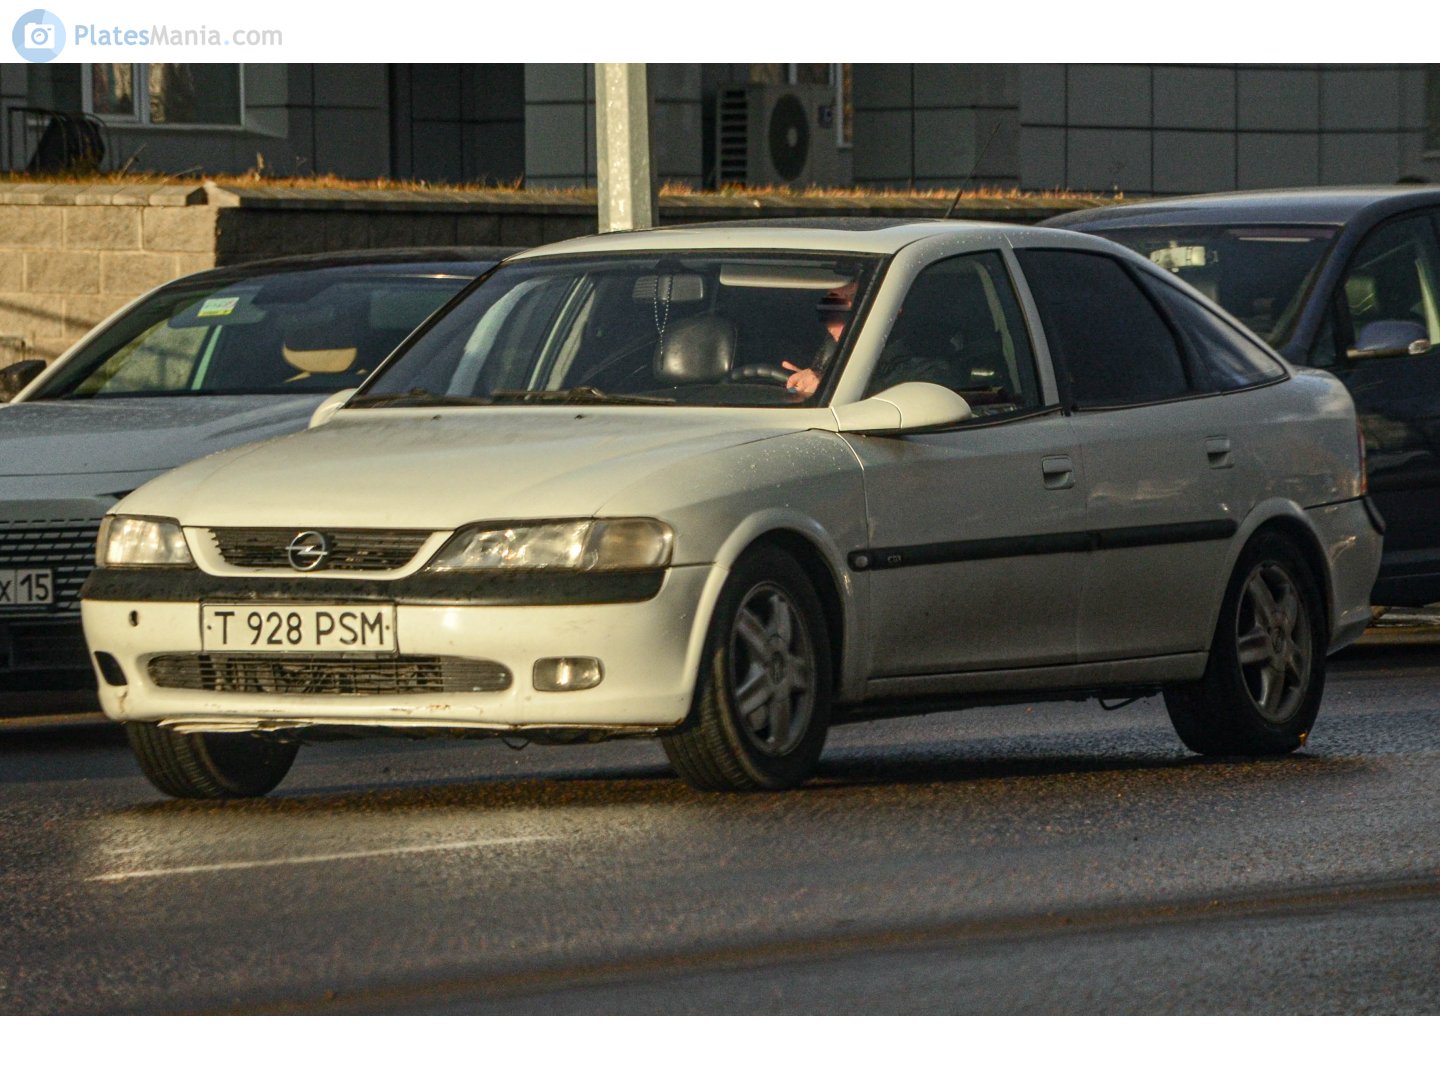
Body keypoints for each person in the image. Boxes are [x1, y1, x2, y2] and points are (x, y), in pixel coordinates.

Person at [783, 281, 856, 398]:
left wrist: (825, 385)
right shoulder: (820, 351)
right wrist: (797, 388)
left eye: (855, 301)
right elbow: (789, 391)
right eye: (831, 305)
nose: (837, 317)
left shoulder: (891, 352)